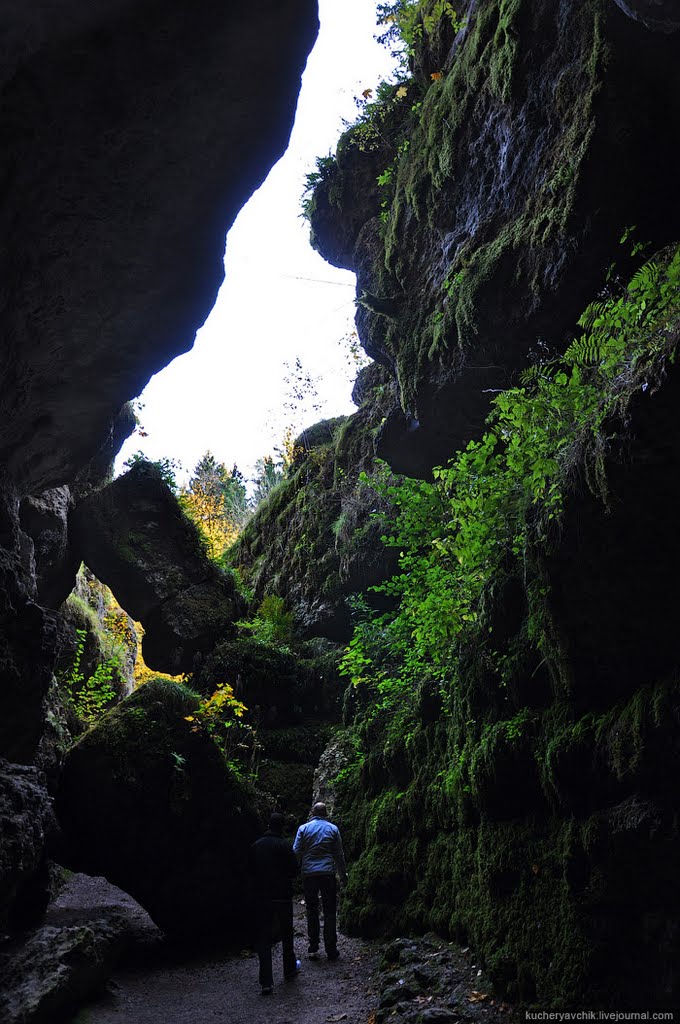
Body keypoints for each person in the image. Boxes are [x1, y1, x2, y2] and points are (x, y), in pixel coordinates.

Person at [250, 811, 301, 995]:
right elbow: (295, 871)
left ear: (268, 825)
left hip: (262, 898)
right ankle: (289, 969)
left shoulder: (256, 846)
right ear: (282, 827)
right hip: (283, 897)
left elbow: (249, 872)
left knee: (263, 938)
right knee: (287, 934)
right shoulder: (284, 846)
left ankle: (266, 981)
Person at [293, 801, 348, 961]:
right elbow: (339, 855)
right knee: (330, 910)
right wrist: (343, 875)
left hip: (309, 873)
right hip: (327, 874)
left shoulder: (303, 828)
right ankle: (331, 948)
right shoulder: (333, 829)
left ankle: (313, 946)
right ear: (326, 813)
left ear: (312, 812)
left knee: (311, 909)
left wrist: (293, 870)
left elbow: (296, 851)